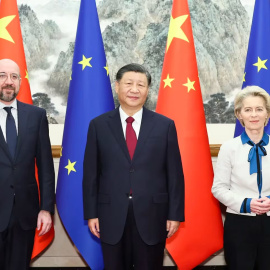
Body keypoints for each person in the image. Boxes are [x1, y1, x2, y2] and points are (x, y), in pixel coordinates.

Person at [83, 63, 184, 270]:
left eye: (141, 84)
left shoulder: (165, 125)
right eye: (129, 83)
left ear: (148, 90)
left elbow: (175, 174)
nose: (134, 89)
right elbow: (91, 174)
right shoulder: (98, 125)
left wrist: (175, 214)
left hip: (153, 214)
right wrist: (91, 213)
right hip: (110, 214)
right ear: (117, 86)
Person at [0, 59, 55, 270]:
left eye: (14, 77)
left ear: (20, 82)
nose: (8, 81)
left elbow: (46, 166)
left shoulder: (37, 116)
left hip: (25, 213)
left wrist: (46, 209)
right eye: (2, 75)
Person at [212, 86, 270, 270]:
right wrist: (247, 203)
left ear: (267, 114)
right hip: (239, 223)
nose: (254, 115)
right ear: (239, 115)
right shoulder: (228, 148)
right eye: (248, 109)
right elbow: (218, 188)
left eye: (259, 109)